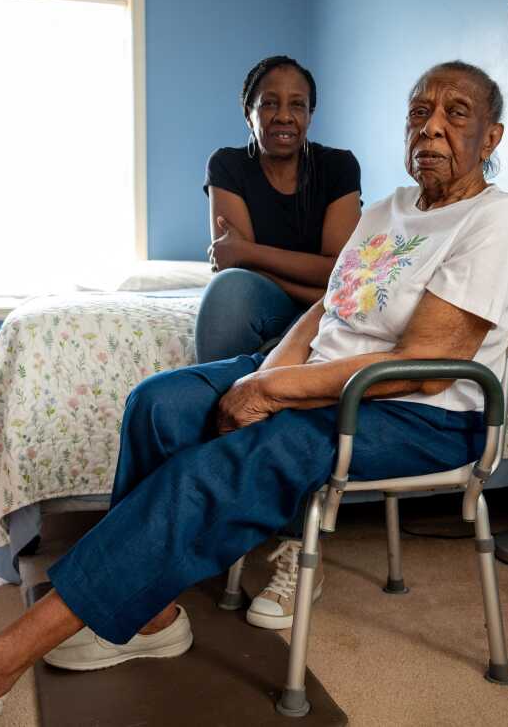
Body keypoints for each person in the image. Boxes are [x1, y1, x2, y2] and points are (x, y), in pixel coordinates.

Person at [0, 60, 508, 727]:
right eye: (420, 112)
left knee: (228, 466)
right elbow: (327, 309)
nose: (432, 127)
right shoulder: (388, 210)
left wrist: (279, 393)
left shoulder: (492, 221)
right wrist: (266, 374)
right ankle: (147, 617)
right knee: (160, 401)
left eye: (456, 114)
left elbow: (425, 366)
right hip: (328, 381)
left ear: (492, 138)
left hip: (414, 412)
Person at [196, 55, 363, 630]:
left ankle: (288, 538)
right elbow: (230, 273)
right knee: (232, 296)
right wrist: (294, 272)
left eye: (296, 104)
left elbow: (344, 280)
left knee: (267, 295)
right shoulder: (227, 164)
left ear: (312, 115)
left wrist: (252, 254)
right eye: (269, 102)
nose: (283, 114)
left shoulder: (339, 168)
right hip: (260, 302)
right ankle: (220, 496)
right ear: (249, 112)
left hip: (326, 316)